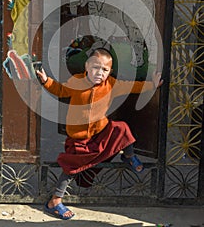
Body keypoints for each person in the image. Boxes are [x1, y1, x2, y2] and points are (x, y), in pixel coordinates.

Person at [36, 48, 163, 220]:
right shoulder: (76, 81)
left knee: (121, 128)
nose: (100, 72)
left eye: (105, 69)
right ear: (87, 67)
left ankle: (128, 155)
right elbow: (60, 90)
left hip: (100, 132)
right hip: (78, 138)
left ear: (109, 72)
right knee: (71, 167)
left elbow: (132, 86)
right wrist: (45, 81)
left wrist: (152, 85)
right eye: (96, 67)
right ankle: (54, 201)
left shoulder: (111, 84)